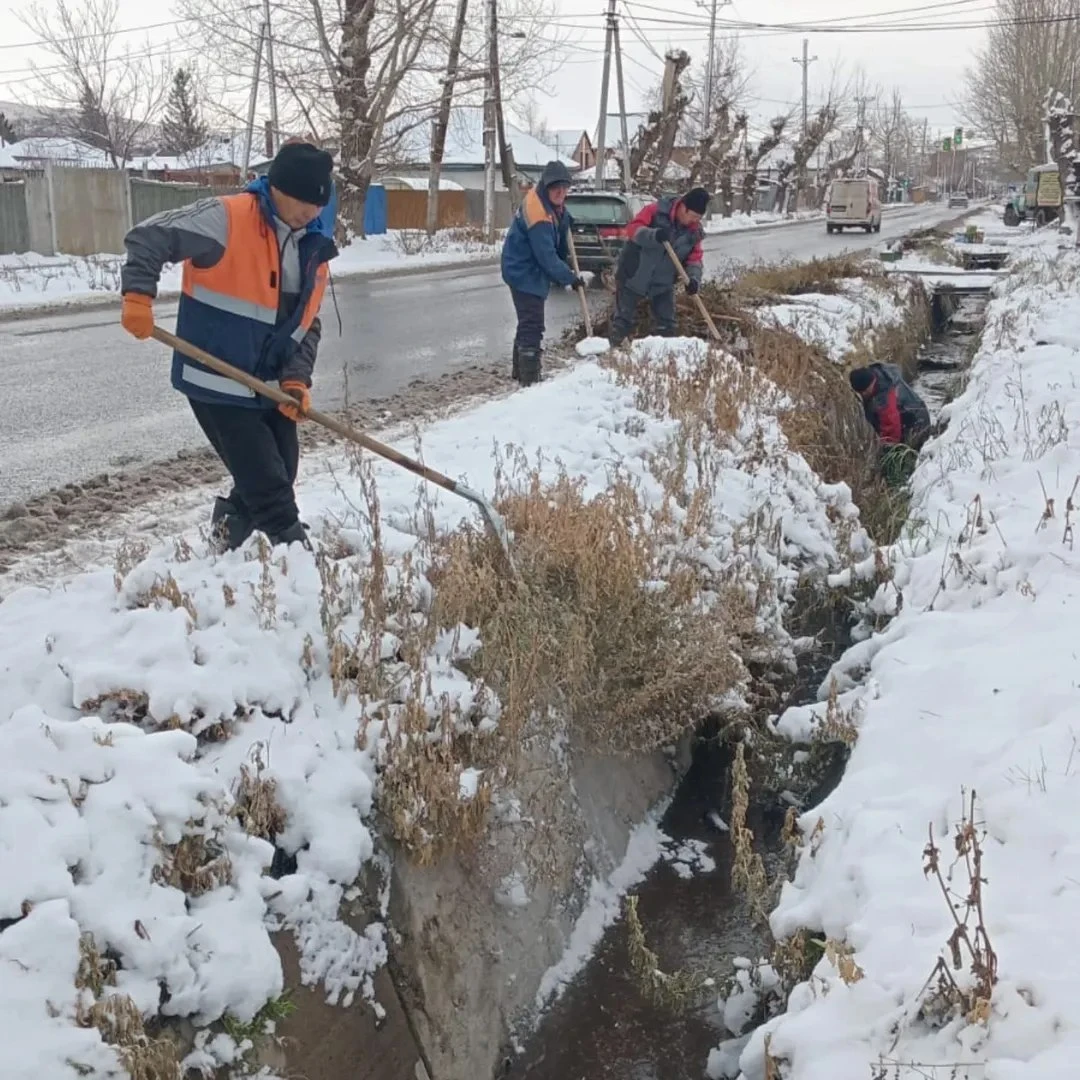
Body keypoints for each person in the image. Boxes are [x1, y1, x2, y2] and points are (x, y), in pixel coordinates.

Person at [120, 141, 338, 552]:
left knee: (283, 466)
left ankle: (226, 538)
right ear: (279, 188)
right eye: (305, 201)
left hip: (267, 384)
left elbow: (306, 324)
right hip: (216, 378)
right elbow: (149, 237)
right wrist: (137, 294)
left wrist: (295, 379)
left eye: (319, 204)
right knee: (267, 483)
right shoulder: (228, 217)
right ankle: (293, 549)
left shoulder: (312, 247)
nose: (312, 212)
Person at [500, 160, 584, 386]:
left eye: (565, 188)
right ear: (546, 186)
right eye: (556, 188)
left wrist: (565, 221)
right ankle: (530, 382)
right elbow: (546, 256)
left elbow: (556, 236)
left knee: (526, 322)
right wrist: (570, 278)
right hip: (523, 270)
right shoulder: (538, 214)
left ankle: (520, 374)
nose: (561, 192)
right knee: (532, 324)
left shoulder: (547, 203)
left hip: (525, 266)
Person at [608, 187, 709, 346]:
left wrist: (694, 279)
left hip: (663, 284)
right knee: (622, 323)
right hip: (633, 275)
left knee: (667, 326)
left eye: (699, 217)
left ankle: (663, 356)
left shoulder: (694, 232)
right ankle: (614, 353)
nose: (695, 221)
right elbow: (633, 230)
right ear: (683, 207)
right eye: (694, 216)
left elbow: (694, 259)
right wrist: (653, 235)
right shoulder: (655, 211)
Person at [848, 363, 931, 449]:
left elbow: (891, 426)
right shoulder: (876, 376)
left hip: (916, 424)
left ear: (869, 385)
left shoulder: (885, 395)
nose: (862, 395)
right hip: (910, 416)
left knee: (906, 452)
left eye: (863, 392)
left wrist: (888, 449)